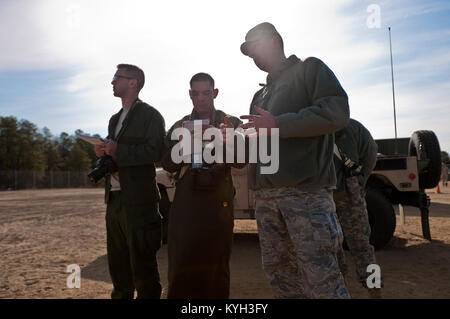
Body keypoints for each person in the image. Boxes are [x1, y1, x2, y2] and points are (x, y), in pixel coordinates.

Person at [238, 22, 350, 298]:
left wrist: (278, 123)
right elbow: (260, 143)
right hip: (266, 198)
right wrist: (238, 137)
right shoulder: (260, 94)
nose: (252, 56)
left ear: (274, 40)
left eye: (254, 47)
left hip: (305, 195)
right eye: (248, 52)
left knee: (321, 279)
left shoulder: (309, 70)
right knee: (281, 278)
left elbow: (336, 113)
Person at [161, 72, 244, 298]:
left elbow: (241, 160)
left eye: (206, 93)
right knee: (181, 262)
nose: (201, 98)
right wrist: (181, 146)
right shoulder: (180, 125)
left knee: (216, 264)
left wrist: (226, 138)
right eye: (196, 93)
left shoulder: (230, 122)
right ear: (190, 95)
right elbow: (166, 164)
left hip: (219, 201)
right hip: (186, 201)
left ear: (214, 93)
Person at [94, 64, 166, 299]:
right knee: (119, 268)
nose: (112, 82)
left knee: (143, 271)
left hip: (139, 203)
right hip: (114, 200)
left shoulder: (150, 115)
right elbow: (118, 156)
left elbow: (155, 152)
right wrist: (104, 153)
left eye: (117, 78)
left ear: (133, 82)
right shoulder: (115, 119)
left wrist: (119, 150)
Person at [333, 118, 381, 298]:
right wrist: (360, 179)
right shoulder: (354, 126)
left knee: (332, 248)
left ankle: (340, 290)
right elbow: (371, 152)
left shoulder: (314, 124)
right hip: (350, 192)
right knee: (363, 248)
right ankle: (375, 291)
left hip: (323, 196)